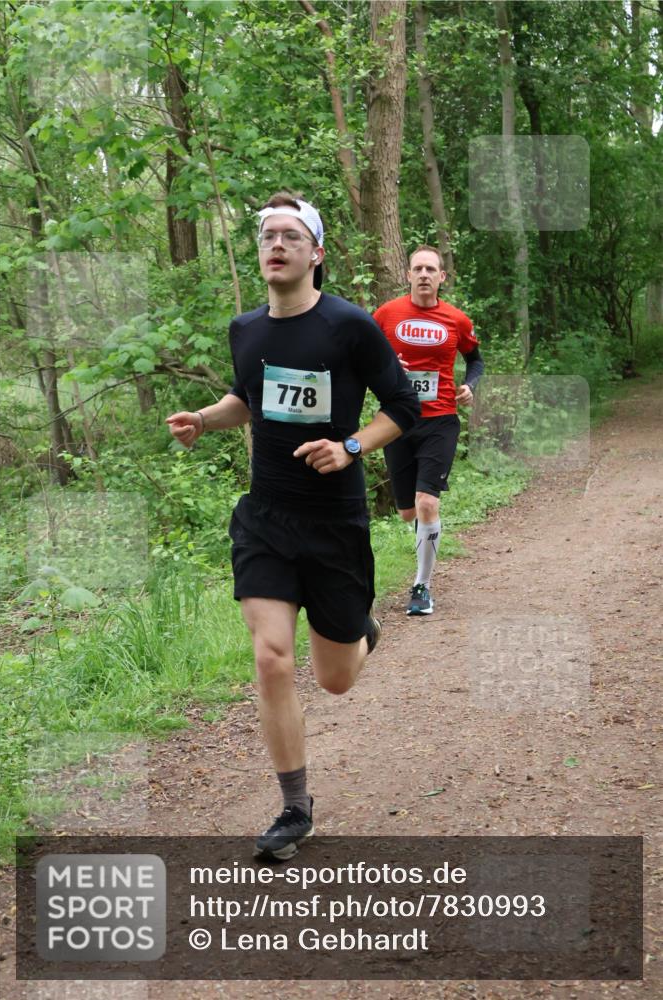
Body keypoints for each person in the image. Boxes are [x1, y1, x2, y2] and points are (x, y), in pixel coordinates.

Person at [166, 193, 419, 860]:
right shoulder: (245, 329)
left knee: (335, 679)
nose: (275, 245)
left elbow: (401, 405)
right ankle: (293, 807)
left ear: (316, 253)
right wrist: (204, 418)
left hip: (334, 522)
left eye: (289, 235)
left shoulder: (349, 326)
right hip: (266, 518)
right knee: (271, 657)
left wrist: (351, 449)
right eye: (266, 235)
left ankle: (359, 631)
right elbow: (246, 400)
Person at [373, 246, 484, 616]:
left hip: (440, 421)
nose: (423, 274)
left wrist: (470, 385)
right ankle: (424, 538)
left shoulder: (457, 320)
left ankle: (422, 586)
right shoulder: (386, 315)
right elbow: (362, 357)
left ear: (441, 277)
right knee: (408, 512)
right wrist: (388, 367)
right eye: (417, 268)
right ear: (408, 275)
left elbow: (476, 361)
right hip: (396, 421)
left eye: (430, 269)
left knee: (427, 502)